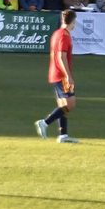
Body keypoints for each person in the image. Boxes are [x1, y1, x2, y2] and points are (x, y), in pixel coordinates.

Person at [35, 8, 79, 143]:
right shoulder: (64, 36)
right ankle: (45, 122)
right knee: (70, 105)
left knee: (63, 105)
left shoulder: (57, 33)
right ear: (73, 21)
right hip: (61, 74)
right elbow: (61, 56)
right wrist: (68, 75)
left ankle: (63, 135)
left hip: (54, 73)